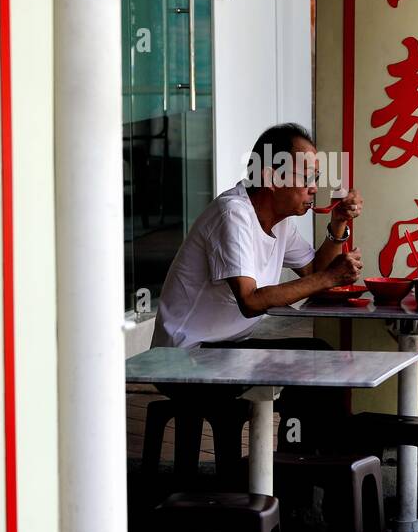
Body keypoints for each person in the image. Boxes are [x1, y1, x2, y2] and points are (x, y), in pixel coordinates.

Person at [150, 123, 364, 458]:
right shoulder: (233, 215)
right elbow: (250, 301)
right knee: (312, 362)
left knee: (320, 357)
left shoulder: (279, 222)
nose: (313, 189)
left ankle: (308, 472)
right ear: (270, 177)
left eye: (316, 178)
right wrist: (328, 278)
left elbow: (313, 271)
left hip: (227, 349)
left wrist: (337, 224)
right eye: (306, 177)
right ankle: (295, 478)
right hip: (186, 357)